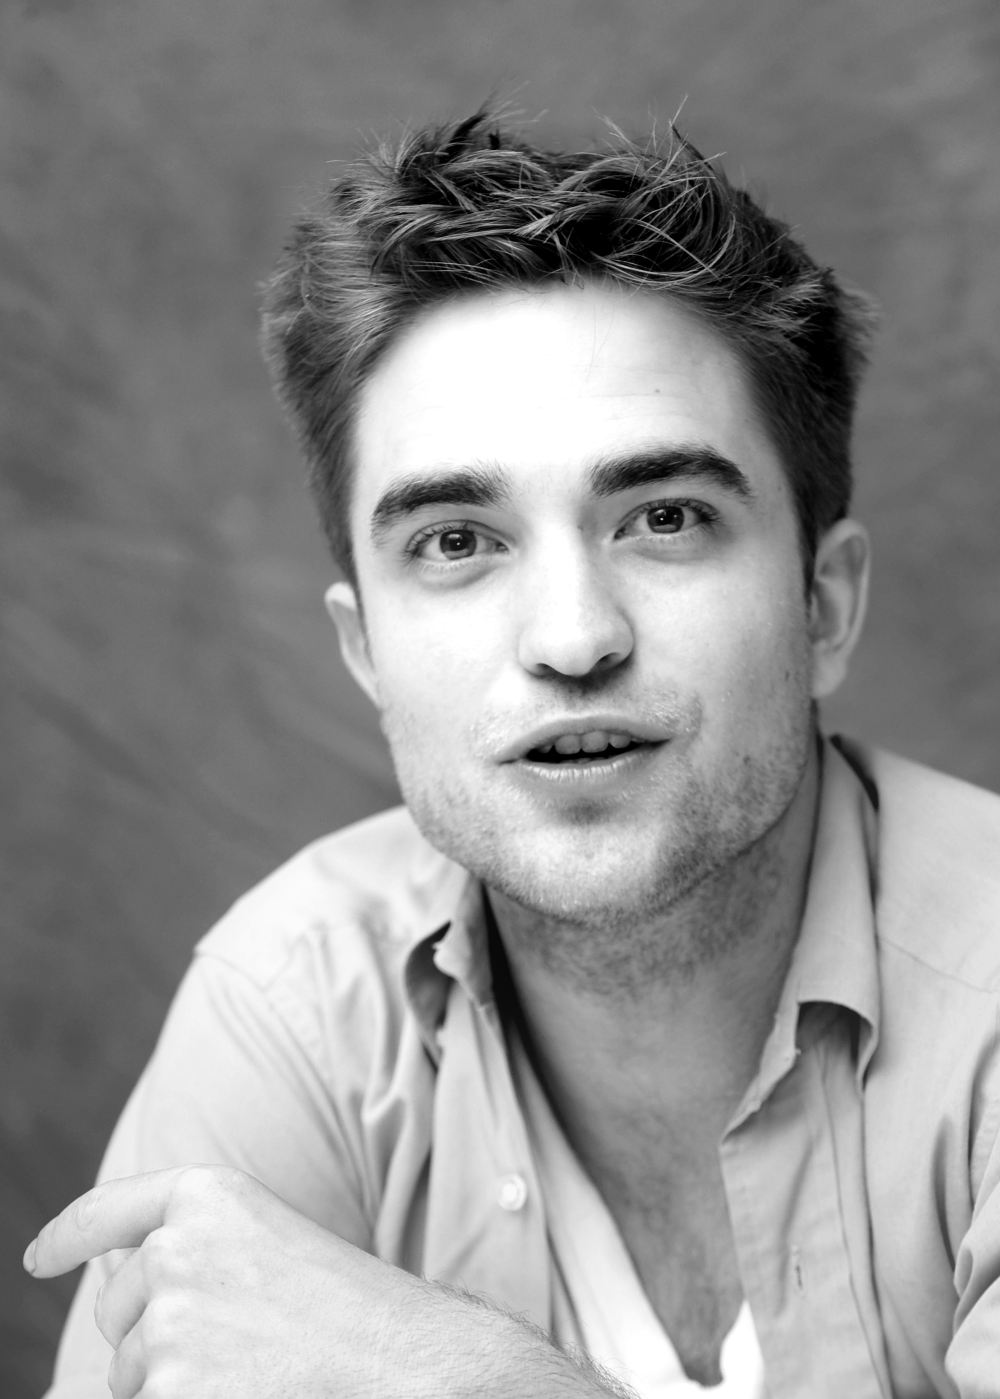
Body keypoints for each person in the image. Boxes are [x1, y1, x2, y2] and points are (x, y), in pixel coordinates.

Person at [25, 107, 1000, 1399]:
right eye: (456, 543)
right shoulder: (295, 1010)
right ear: (365, 651)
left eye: (665, 517)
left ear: (824, 606)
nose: (573, 639)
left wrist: (454, 1377)